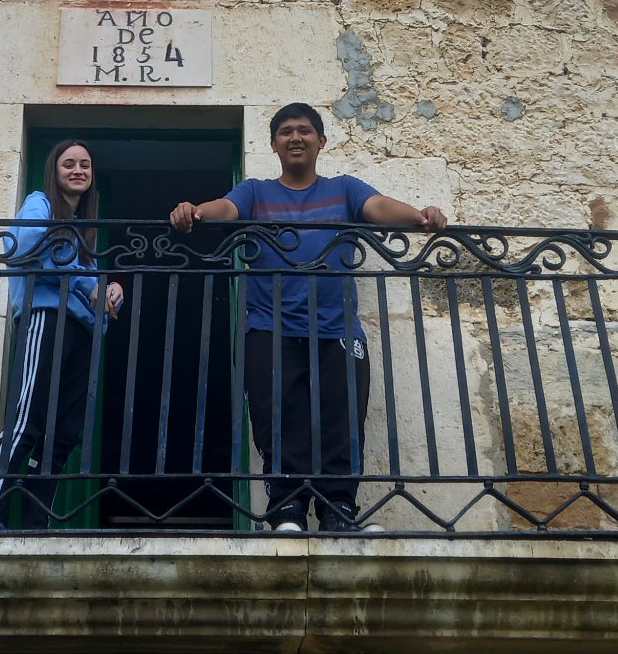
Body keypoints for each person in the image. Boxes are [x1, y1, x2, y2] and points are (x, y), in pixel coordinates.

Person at [169, 102, 447, 532]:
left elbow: (377, 207)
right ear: (273, 144)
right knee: (278, 417)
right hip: (270, 326)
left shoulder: (344, 189)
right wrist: (197, 212)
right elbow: (226, 208)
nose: (295, 137)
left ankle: (338, 510)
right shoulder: (255, 192)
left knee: (342, 419)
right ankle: (287, 509)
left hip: (338, 328)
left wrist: (419, 216)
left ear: (321, 141)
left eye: (303, 130)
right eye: (285, 132)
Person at [0, 140, 125, 530]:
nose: (78, 170)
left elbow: (81, 276)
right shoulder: (39, 203)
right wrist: (87, 284)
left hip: (82, 331)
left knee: (62, 434)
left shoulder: (83, 227)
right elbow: (22, 249)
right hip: (47, 317)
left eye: (85, 165)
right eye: (69, 164)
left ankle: (34, 523)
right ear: (54, 171)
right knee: (27, 421)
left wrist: (111, 289)